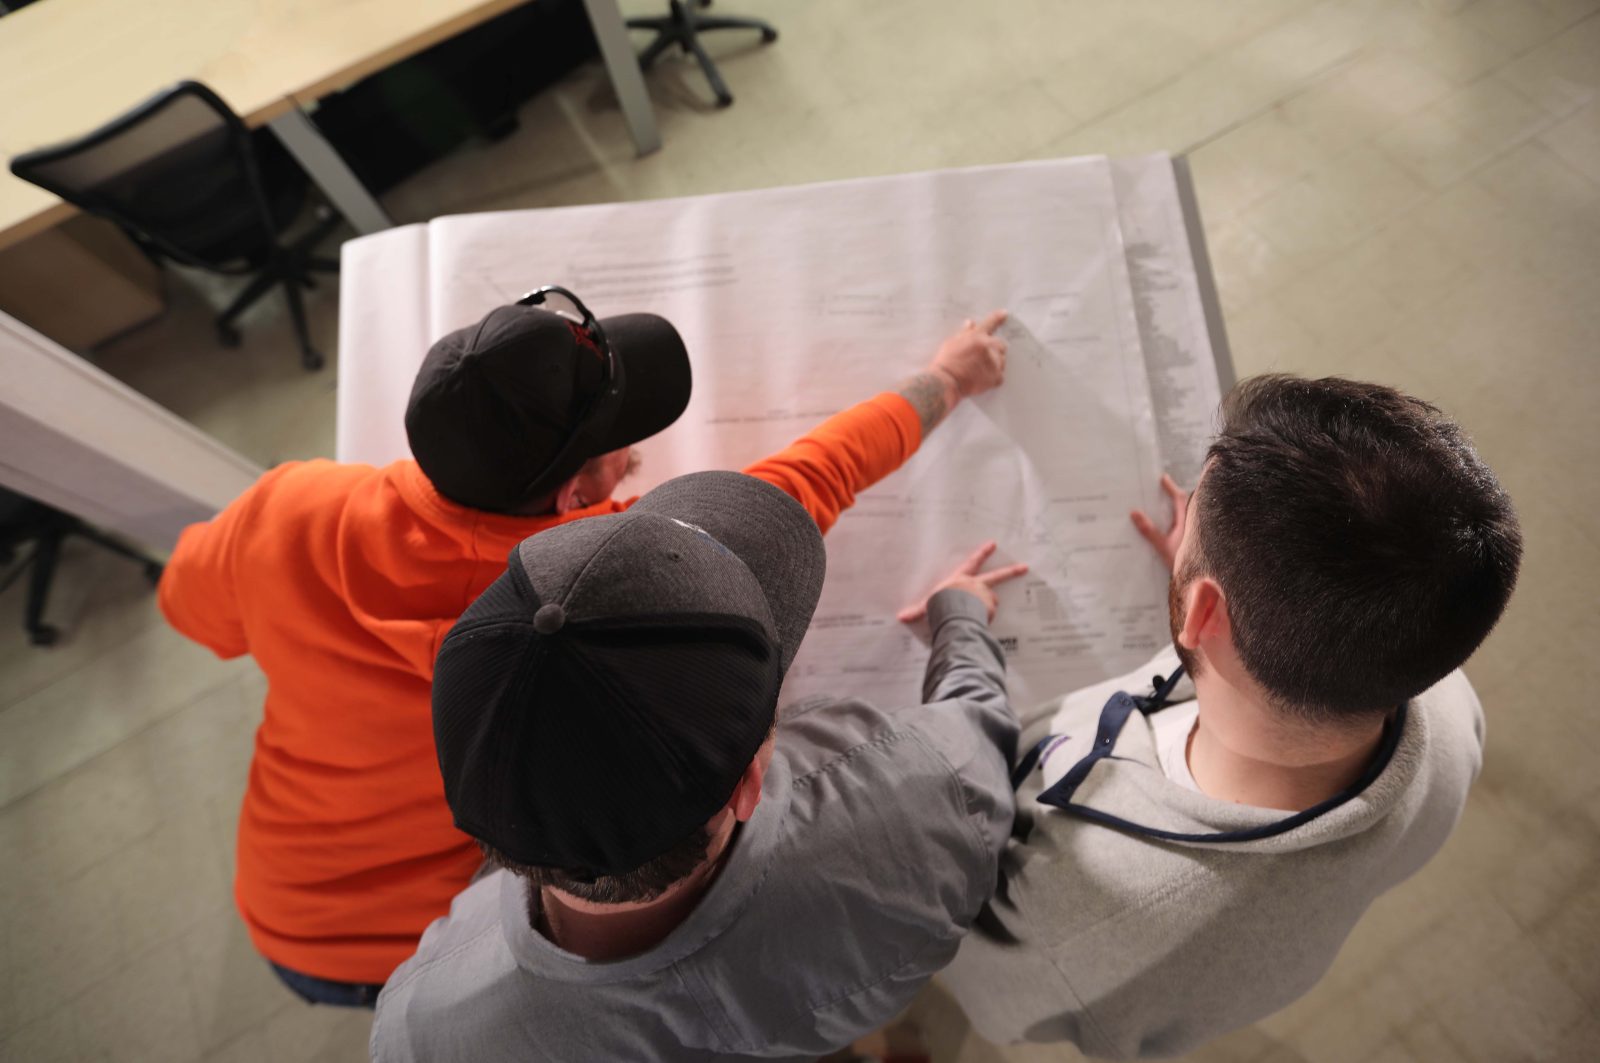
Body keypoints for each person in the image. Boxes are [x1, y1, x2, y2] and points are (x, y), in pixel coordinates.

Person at [158, 286, 1009, 1004]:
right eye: (623, 444)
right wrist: (949, 378)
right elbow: (817, 474)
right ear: (574, 496)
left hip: (281, 907)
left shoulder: (284, 506)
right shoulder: (617, 574)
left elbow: (188, 611)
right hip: (447, 942)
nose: (635, 451)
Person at [936, 374, 1523, 1059]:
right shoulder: (1445, 695)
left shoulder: (1074, 916)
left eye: (1196, 522)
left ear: (1205, 612)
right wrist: (1222, 576)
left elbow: (976, 984)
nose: (1188, 522)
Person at [370, 471, 1029, 1061]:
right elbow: (980, 725)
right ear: (746, 788)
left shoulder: (422, 1030)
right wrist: (961, 614)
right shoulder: (920, 804)